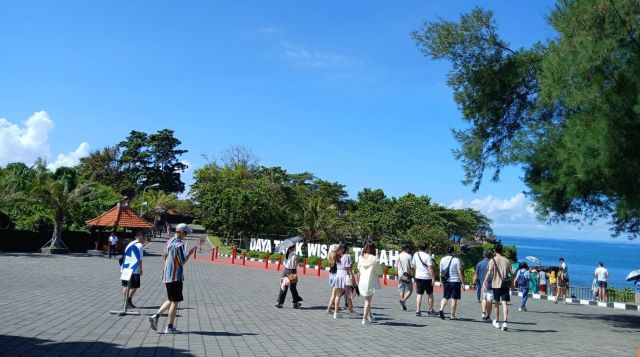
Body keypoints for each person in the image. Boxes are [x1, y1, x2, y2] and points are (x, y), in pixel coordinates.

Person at [148, 223, 197, 334]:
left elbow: (164, 255)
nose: (186, 235)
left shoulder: (169, 241)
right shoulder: (179, 245)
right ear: (180, 232)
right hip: (175, 276)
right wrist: (189, 253)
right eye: (185, 233)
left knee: (171, 299)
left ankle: (155, 316)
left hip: (167, 274)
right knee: (175, 301)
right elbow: (182, 261)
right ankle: (170, 327)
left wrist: (168, 265)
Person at [483, 243, 512, 332]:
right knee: (504, 303)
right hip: (505, 284)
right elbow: (512, 273)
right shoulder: (507, 261)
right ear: (502, 250)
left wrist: (485, 281)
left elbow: (489, 272)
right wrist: (513, 284)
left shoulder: (492, 260)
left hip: (496, 284)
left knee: (496, 303)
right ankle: (505, 323)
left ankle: (497, 321)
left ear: (494, 250)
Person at [358, 241, 382, 325]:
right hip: (370, 281)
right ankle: (364, 318)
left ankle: (370, 316)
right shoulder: (375, 259)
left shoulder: (361, 257)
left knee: (367, 299)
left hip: (362, 281)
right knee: (367, 301)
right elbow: (379, 272)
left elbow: (358, 267)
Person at [121, 231, 146, 308]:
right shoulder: (140, 246)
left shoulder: (130, 243)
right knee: (135, 286)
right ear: (139, 237)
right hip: (134, 269)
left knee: (125, 285)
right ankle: (128, 301)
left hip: (125, 267)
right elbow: (139, 260)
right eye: (144, 237)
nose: (145, 239)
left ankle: (125, 301)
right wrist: (141, 270)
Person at [438, 245, 465, 320]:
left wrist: (440, 281)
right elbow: (459, 271)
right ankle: (452, 315)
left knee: (445, 297)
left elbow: (441, 271)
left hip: (446, 281)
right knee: (454, 298)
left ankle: (441, 308)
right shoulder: (456, 260)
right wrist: (462, 282)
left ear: (446, 251)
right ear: (453, 251)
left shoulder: (442, 260)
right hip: (455, 281)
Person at [330, 244, 354, 319]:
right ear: (346, 249)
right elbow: (348, 268)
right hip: (345, 276)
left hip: (338, 275)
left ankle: (336, 313)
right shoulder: (347, 256)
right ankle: (351, 312)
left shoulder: (337, 256)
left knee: (338, 295)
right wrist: (352, 276)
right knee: (348, 295)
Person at [412, 243, 436, 316]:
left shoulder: (416, 254)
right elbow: (430, 268)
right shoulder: (428, 256)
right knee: (430, 294)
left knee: (419, 294)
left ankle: (418, 310)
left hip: (418, 277)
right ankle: (431, 310)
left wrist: (416, 273)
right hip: (427, 277)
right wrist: (433, 278)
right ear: (426, 249)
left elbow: (413, 265)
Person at [474, 250, 493, 321]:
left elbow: (476, 275)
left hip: (482, 284)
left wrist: (474, 282)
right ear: (490, 256)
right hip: (491, 284)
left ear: (483, 255)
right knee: (490, 300)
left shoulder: (479, 264)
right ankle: (488, 316)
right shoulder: (492, 263)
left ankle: (483, 313)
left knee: (484, 298)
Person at [396, 243, 413, 311]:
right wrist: (412, 273)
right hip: (407, 275)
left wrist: (396, 274)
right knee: (410, 290)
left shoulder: (398, 256)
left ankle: (402, 305)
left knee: (401, 289)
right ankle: (403, 300)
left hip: (400, 275)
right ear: (406, 249)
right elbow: (411, 267)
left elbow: (396, 266)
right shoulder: (409, 256)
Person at [325, 242, 340, 314]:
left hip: (331, 273)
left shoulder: (330, 255)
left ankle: (335, 306)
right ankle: (329, 308)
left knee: (335, 292)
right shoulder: (337, 256)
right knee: (335, 293)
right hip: (336, 274)